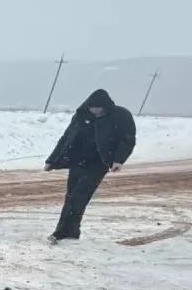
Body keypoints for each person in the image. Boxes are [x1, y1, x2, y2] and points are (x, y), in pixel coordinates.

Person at [44, 88, 136, 243]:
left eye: (99, 108)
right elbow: (67, 138)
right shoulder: (82, 115)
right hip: (78, 160)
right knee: (71, 196)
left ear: (106, 106)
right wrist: (52, 160)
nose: (95, 111)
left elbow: (128, 140)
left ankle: (62, 232)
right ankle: (70, 231)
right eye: (92, 107)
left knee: (79, 196)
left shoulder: (121, 116)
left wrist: (118, 160)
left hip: (99, 163)